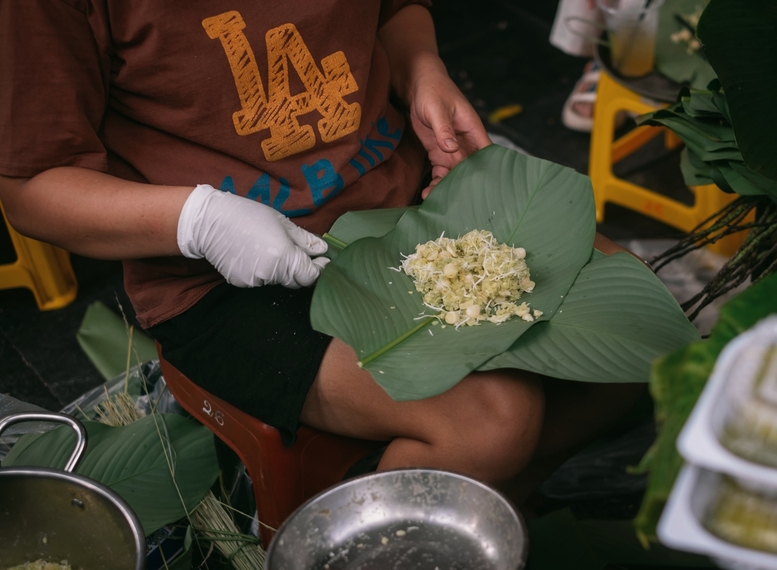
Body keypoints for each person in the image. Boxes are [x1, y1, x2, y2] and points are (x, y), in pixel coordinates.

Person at [0, 0, 643, 500]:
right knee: (492, 420)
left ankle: (487, 515)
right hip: (220, 279)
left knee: (632, 330)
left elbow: (394, 10)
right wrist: (199, 219)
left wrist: (423, 72)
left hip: (404, 200)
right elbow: (33, 186)